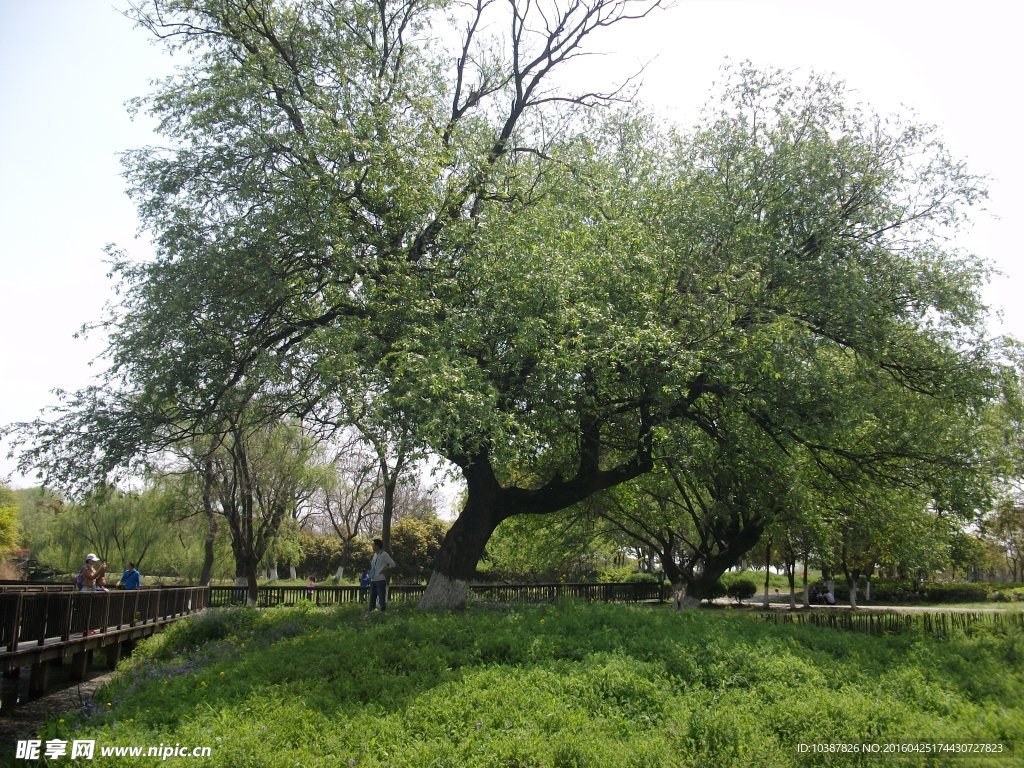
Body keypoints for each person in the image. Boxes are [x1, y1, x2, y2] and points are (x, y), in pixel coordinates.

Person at [367, 538, 395, 612]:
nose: (372, 546)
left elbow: (393, 564)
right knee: (372, 601)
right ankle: (370, 615)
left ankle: (383, 615)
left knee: (381, 600)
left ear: (377, 546)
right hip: (373, 580)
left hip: (380, 581)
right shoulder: (375, 555)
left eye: (373, 545)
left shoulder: (384, 554)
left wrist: (384, 569)